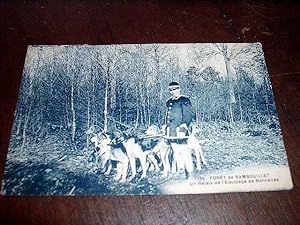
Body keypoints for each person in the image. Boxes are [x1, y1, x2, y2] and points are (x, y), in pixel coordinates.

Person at [165, 81, 196, 178]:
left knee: (184, 151)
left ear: (179, 89)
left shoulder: (184, 100)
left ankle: (190, 172)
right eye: (170, 90)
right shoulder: (169, 101)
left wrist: (183, 129)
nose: (172, 92)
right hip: (172, 130)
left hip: (181, 129)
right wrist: (166, 127)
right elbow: (168, 116)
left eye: (174, 89)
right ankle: (181, 170)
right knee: (175, 150)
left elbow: (188, 115)